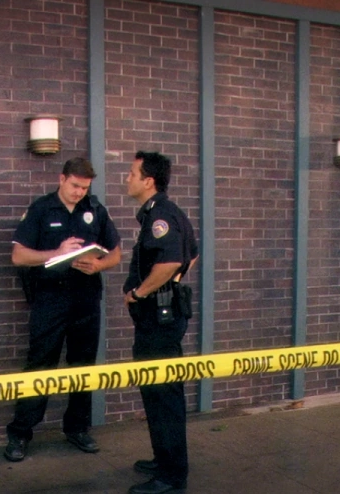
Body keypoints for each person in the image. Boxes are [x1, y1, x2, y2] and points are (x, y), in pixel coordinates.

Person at [5, 157, 122, 462]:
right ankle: (20, 433)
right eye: (75, 186)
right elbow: (18, 256)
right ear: (62, 179)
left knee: (82, 367)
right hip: (50, 299)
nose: (79, 192)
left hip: (86, 299)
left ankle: (77, 429)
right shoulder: (42, 209)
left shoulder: (95, 210)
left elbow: (116, 254)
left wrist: (98, 265)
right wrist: (55, 253)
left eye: (84, 188)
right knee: (39, 365)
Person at [123, 151, 198, 494]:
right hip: (160, 316)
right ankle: (164, 458)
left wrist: (140, 293)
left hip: (159, 319)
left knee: (163, 395)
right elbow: (191, 255)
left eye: (132, 173)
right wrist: (172, 282)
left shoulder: (161, 216)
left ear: (148, 181)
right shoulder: (167, 212)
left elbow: (169, 263)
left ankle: (171, 475)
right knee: (155, 392)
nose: (127, 178)